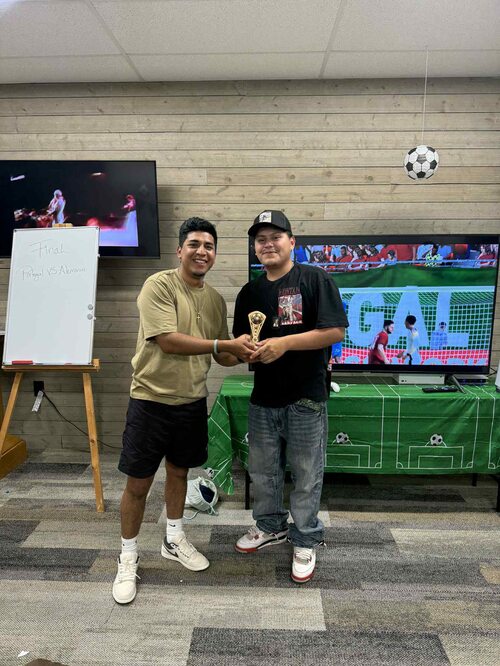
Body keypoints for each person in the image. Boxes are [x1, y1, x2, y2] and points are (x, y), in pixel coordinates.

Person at [112, 217, 255, 605]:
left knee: (179, 473)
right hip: (150, 401)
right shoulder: (158, 285)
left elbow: (220, 355)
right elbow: (169, 341)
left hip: (191, 402)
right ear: (180, 250)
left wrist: (245, 352)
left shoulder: (215, 300)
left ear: (214, 255)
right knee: (138, 484)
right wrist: (223, 345)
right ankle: (128, 557)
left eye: (209, 246)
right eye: (194, 244)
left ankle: (173, 539)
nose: (201, 251)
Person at [232, 210, 348, 584]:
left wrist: (284, 344)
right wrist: (243, 350)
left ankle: (306, 538)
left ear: (292, 242)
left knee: (306, 473)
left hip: (306, 398)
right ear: (255, 247)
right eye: (261, 239)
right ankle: (270, 526)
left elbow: (334, 331)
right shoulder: (250, 293)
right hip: (263, 397)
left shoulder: (315, 279)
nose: (268, 244)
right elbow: (240, 344)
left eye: (275, 237)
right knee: (263, 471)